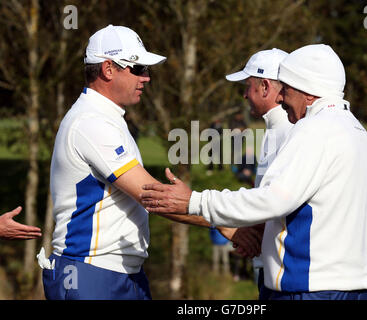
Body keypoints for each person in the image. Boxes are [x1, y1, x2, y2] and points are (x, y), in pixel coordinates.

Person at [140, 44, 367, 300]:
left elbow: (274, 199)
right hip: (354, 288)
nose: (280, 98)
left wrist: (196, 201)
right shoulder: (359, 133)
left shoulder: (314, 129)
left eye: (286, 90)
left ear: (309, 93)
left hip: (309, 289)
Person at [40, 25, 259, 300]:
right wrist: (223, 222)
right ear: (108, 69)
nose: (146, 78)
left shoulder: (107, 118)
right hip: (90, 273)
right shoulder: (91, 122)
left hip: (116, 273)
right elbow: (151, 195)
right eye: (138, 68)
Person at [224, 47, 292, 298]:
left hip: (281, 273)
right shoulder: (274, 129)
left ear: (265, 87)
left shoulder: (288, 132)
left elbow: (278, 201)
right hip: (271, 265)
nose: (244, 94)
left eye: (247, 85)